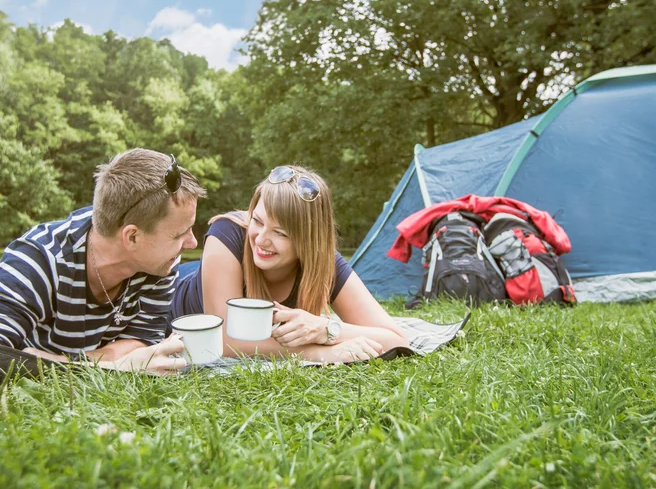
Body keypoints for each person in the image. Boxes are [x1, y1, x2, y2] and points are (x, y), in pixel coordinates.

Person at [170, 165, 409, 363]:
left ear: (308, 241)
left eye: (281, 233)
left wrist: (324, 329)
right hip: (175, 291)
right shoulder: (227, 234)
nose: (261, 240)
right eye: (257, 221)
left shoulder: (324, 261)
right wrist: (319, 352)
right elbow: (225, 339)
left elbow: (397, 340)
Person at [0, 148, 206, 375]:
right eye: (179, 234)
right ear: (132, 237)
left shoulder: (160, 264)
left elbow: (142, 339)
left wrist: (52, 360)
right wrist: (114, 367)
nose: (192, 243)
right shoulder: (38, 261)